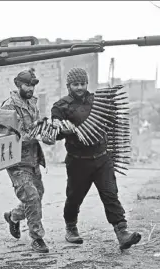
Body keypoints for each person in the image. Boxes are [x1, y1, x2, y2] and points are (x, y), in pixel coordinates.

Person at [50, 67, 142, 250]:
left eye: (83, 83)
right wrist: (62, 130)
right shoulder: (61, 106)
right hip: (78, 161)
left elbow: (113, 123)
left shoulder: (99, 101)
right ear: (68, 86)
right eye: (75, 84)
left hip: (102, 159)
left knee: (110, 194)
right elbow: (54, 133)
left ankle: (122, 232)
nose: (80, 87)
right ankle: (71, 228)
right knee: (74, 197)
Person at [1, 68, 54, 253]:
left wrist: (46, 134)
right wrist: (34, 135)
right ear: (18, 84)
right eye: (26, 85)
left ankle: (13, 217)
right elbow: (6, 136)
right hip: (16, 162)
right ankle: (37, 238)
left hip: (32, 159)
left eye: (32, 85)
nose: (30, 88)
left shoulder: (32, 103)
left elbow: (36, 126)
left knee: (37, 196)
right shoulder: (9, 106)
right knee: (31, 197)